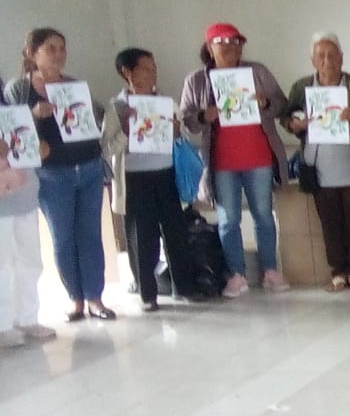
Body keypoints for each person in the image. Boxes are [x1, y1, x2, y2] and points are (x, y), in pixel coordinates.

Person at [3, 29, 114, 321]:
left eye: (62, 48)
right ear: (32, 53)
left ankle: (96, 298)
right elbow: (11, 129)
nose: (58, 54)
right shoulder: (19, 89)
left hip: (88, 165)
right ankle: (75, 299)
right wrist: (34, 115)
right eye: (50, 48)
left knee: (90, 235)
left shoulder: (74, 85)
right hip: (53, 173)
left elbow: (99, 118)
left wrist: (94, 115)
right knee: (63, 237)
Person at [178, 22, 291, 298]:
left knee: (264, 215)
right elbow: (187, 120)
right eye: (224, 42)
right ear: (209, 47)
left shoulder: (257, 72)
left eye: (237, 42)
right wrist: (204, 116)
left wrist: (266, 104)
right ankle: (237, 274)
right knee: (228, 219)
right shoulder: (197, 80)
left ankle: (270, 270)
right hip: (221, 162)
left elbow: (281, 104)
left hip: (258, 156)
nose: (232, 47)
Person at [103, 47, 199, 310]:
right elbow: (106, 148)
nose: (152, 73)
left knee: (176, 232)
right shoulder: (117, 107)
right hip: (135, 179)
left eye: (154, 67)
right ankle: (147, 294)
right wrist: (125, 131)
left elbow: (181, 138)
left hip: (166, 175)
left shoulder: (165, 102)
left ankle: (184, 287)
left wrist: (176, 132)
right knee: (142, 237)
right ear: (128, 72)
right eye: (146, 68)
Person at [285, 33, 350, 292]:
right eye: (321, 56)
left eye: (332, 55)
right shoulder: (302, 87)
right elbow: (287, 117)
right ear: (313, 60)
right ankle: (337, 272)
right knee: (329, 223)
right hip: (320, 169)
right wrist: (295, 124)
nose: (327, 61)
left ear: (342, 58)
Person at [0, 137, 54, 347]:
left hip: (26, 196)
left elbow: (29, 140)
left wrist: (38, 148)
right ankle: (3, 324)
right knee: (2, 264)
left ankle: (28, 318)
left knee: (30, 261)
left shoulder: (21, 112)